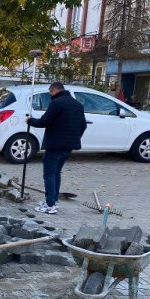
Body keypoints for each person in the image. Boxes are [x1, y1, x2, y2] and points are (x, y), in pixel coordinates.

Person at [25, 81, 87, 214]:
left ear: (54, 91)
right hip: (68, 147)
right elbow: (83, 126)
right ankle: (54, 200)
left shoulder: (56, 103)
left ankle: (50, 204)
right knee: (56, 173)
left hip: (54, 146)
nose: (50, 96)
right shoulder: (78, 105)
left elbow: (44, 122)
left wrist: (30, 120)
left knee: (49, 175)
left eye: (50, 93)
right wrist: (73, 138)